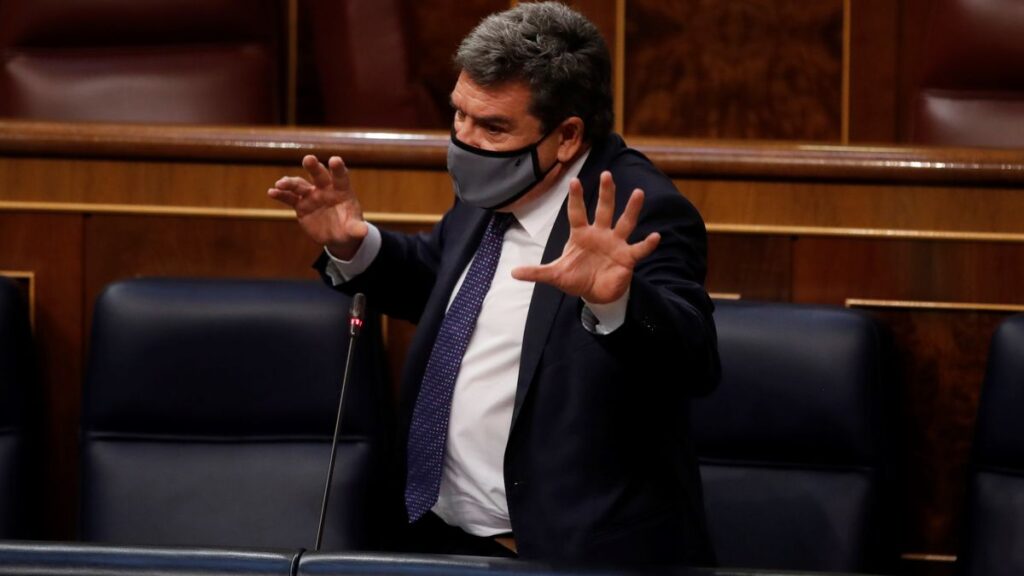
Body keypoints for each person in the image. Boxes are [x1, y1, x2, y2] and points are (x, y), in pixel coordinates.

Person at [269, 1, 719, 566]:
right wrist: (354, 245)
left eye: (492, 127)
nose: (465, 140)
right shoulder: (505, 179)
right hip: (439, 538)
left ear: (568, 135)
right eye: (459, 115)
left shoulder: (636, 208)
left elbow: (695, 360)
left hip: (564, 558)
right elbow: (443, 285)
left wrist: (620, 303)